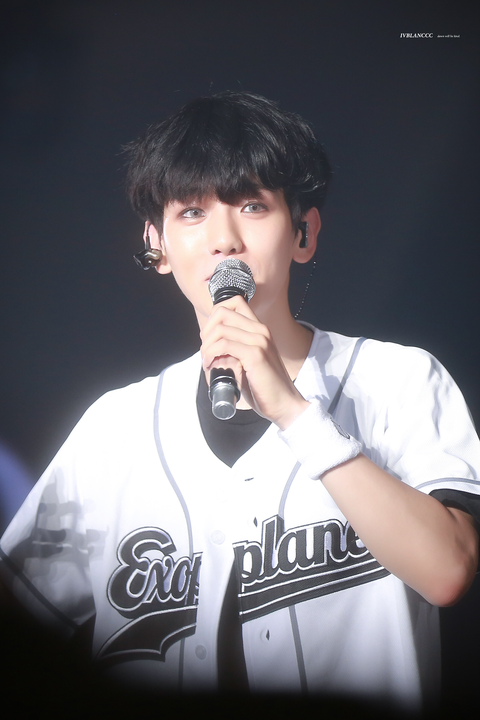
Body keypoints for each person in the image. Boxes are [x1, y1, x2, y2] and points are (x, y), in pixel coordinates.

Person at [1, 92, 479, 715]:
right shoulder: (112, 431)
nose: (224, 240)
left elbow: (447, 572)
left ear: (304, 232)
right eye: (192, 212)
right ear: (156, 244)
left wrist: (295, 413)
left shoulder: (397, 379)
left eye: (253, 206)